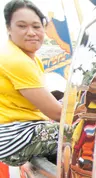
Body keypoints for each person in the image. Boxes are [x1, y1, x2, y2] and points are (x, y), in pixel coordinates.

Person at [0, 0, 63, 167]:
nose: (31, 32)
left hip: (23, 131)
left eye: (36, 26)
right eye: (22, 26)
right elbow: (57, 113)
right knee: (89, 133)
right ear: (8, 28)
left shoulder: (29, 58)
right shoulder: (16, 60)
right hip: (16, 137)